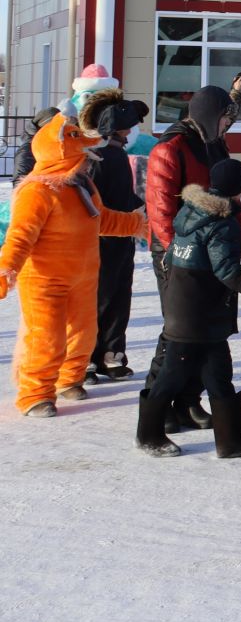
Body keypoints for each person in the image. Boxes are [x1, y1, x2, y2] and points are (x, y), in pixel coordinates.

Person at [0, 98, 149, 416]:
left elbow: (102, 219)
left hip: (83, 277)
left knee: (84, 333)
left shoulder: (82, 186)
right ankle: (35, 392)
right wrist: (6, 268)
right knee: (46, 336)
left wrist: (138, 226)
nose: (87, 161)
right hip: (45, 280)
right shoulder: (36, 191)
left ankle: (70, 379)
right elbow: (20, 236)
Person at [137, 159, 241, 456]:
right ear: (240, 190)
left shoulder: (193, 210)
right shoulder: (221, 222)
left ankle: (232, 440)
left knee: (219, 373)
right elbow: (227, 272)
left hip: (192, 306)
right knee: (171, 374)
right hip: (196, 311)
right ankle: (147, 435)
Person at [143, 83, 241, 432]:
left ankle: (187, 401)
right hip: (177, 255)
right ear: (209, 116)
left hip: (213, 250)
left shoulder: (215, 146)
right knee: (178, 329)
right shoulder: (170, 149)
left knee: (206, 329)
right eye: (226, 119)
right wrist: (180, 254)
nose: (228, 126)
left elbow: (230, 199)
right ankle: (158, 402)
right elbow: (160, 211)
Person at [87, 97, 150, 383]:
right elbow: (103, 198)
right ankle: (98, 357)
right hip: (108, 236)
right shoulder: (104, 156)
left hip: (117, 235)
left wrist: (137, 206)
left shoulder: (108, 154)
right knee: (106, 297)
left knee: (112, 296)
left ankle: (105, 355)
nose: (133, 130)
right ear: (121, 128)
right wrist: (137, 208)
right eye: (130, 126)